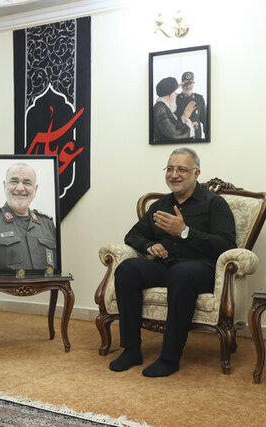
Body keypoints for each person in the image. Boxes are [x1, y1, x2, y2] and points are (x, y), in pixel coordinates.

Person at [109, 147, 236, 377]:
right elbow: (133, 236)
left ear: (196, 173)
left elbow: (226, 245)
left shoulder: (214, 203)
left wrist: (185, 232)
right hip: (166, 265)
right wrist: (150, 245)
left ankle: (169, 358)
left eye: (181, 169)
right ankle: (131, 350)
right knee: (127, 269)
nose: (174, 174)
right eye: (169, 169)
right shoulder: (160, 205)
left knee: (182, 272)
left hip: (200, 269)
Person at [0, 162, 57, 272]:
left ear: (35, 189)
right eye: (14, 182)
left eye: (27, 183)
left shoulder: (48, 224)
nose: (20, 188)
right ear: (4, 185)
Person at [153, 76, 197, 141]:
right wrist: (190, 128)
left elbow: (174, 126)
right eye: (174, 92)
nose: (176, 94)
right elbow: (172, 133)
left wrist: (188, 123)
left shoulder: (163, 107)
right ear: (170, 95)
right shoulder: (160, 109)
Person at [176, 71, 207, 139]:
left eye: (190, 84)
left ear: (193, 84)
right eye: (185, 84)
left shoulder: (199, 99)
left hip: (196, 137)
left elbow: (205, 120)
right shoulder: (175, 99)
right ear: (181, 84)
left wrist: (208, 139)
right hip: (181, 137)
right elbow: (172, 120)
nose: (188, 87)